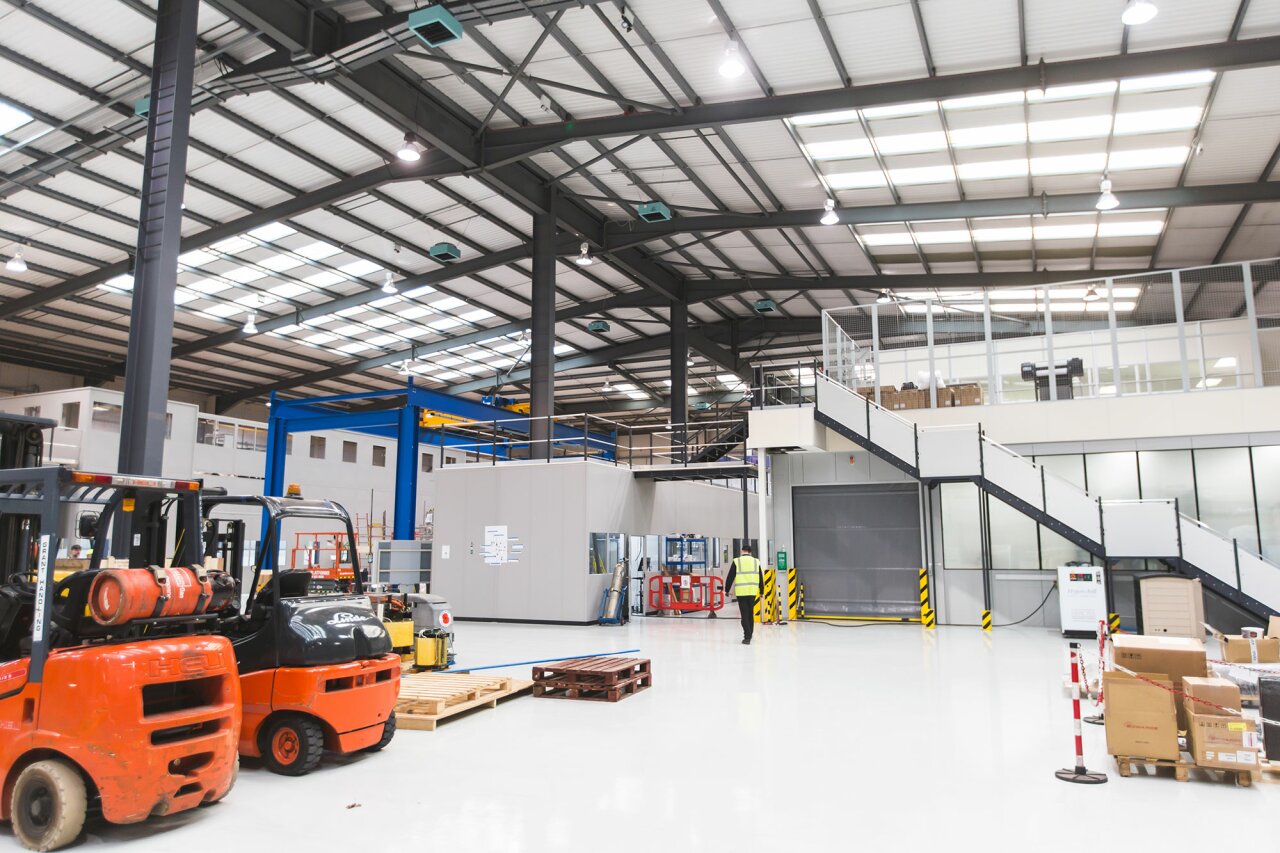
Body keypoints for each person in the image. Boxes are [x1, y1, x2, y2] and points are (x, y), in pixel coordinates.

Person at [724, 545, 762, 645]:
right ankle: (750, 633)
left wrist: (726, 590)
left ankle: (747, 637)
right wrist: (762, 591)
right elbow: (760, 577)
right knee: (750, 613)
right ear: (750, 552)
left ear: (742, 551)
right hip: (752, 591)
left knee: (744, 614)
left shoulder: (737, 561)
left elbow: (730, 576)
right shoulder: (756, 561)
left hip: (741, 592)